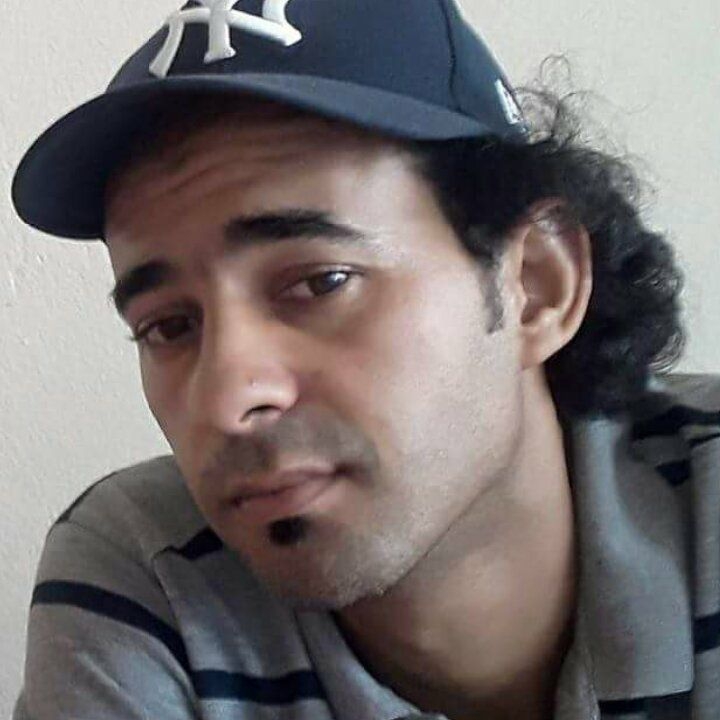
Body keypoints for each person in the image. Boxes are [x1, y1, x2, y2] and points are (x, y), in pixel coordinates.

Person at [10, 1, 720, 719]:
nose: (225, 399)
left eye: (320, 282)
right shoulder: (149, 577)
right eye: (167, 326)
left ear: (536, 285)